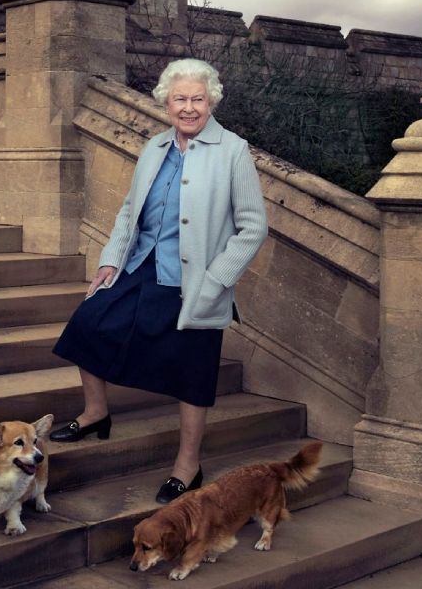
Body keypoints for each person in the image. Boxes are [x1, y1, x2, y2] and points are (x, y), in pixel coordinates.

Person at [48, 58, 268, 504]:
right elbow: (130, 211)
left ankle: (188, 465)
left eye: (197, 99)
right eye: (180, 99)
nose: (188, 108)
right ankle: (95, 414)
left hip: (194, 281)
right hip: (141, 265)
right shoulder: (154, 148)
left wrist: (217, 280)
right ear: (166, 102)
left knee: (192, 372)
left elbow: (253, 226)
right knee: (88, 325)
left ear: (211, 102)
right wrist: (111, 261)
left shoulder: (233, 150)